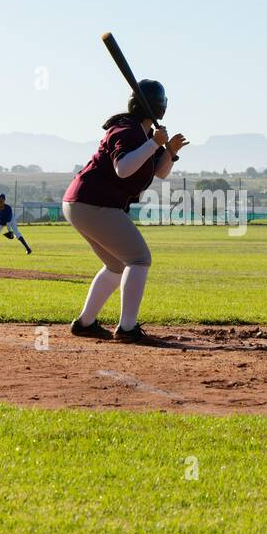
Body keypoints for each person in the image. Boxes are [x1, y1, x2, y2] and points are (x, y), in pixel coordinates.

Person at [62, 80, 188, 342]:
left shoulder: (142, 136)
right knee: (139, 259)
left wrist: (169, 152)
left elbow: (160, 172)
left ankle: (85, 323)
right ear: (159, 107)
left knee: (117, 264)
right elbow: (123, 168)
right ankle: (128, 328)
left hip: (83, 204)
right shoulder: (127, 130)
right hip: (94, 203)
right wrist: (154, 144)